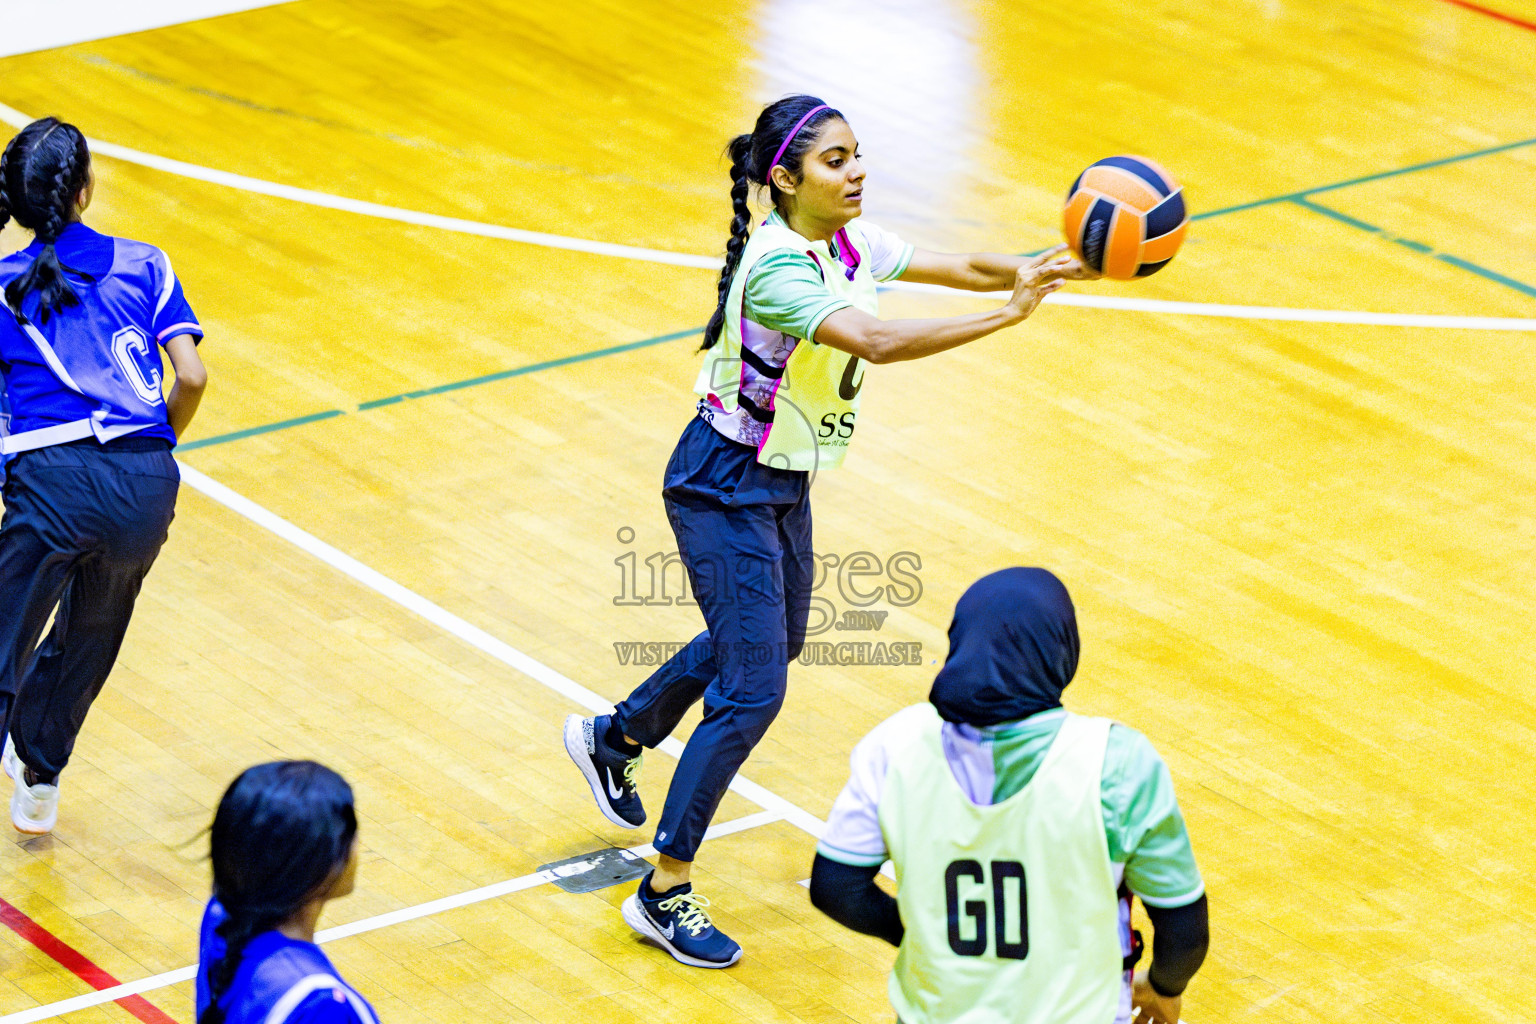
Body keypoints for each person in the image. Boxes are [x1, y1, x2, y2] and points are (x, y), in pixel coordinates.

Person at [564, 93, 1094, 968]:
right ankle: (665, 888)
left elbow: (951, 261)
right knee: (755, 685)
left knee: (777, 638)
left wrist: (1031, 269)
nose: (857, 172)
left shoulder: (848, 240)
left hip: (781, 476)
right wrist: (1009, 317)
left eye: (857, 156)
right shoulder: (777, 268)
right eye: (837, 160)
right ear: (786, 178)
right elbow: (875, 343)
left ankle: (616, 735)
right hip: (719, 485)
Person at [808, 568, 1209, 1024]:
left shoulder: (896, 742)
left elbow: (836, 887)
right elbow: (1185, 931)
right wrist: (1163, 988)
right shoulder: (1116, 761)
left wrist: (925, 936)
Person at [0, 116, 207, 834]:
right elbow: (192, 374)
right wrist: (151, 453)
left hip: (54, 478)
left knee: (4, 641)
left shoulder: (4, 287)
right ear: (85, 189)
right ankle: (40, 782)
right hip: (148, 481)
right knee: (90, 636)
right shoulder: (146, 263)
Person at [196, 760, 377, 1024]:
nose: (359, 844)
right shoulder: (321, 1006)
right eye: (350, 833)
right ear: (317, 862)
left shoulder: (222, 917)